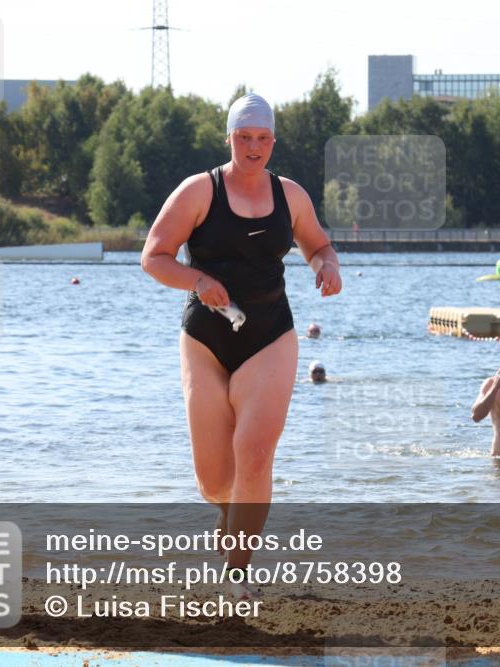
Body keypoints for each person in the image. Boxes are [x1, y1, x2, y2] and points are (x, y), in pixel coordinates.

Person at [140, 93, 342, 599]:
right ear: (228, 137)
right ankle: (229, 518)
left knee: (254, 456)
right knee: (214, 481)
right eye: (244, 137)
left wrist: (327, 267)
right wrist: (197, 279)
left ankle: (236, 575)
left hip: (270, 334)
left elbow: (317, 244)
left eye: (263, 138)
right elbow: (154, 257)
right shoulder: (198, 191)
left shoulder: (289, 194)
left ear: (273, 140)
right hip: (205, 338)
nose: (254, 147)